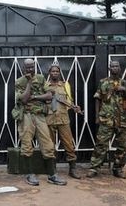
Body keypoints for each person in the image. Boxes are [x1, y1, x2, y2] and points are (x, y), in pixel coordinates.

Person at [15, 58, 67, 186]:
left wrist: (35, 97)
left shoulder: (41, 78)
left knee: (48, 144)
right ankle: (30, 174)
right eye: (27, 68)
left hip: (40, 116)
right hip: (26, 116)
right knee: (27, 145)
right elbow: (24, 100)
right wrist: (29, 83)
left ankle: (52, 174)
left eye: (32, 67)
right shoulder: (19, 82)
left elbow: (50, 95)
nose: (30, 70)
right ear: (23, 69)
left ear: (35, 67)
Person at [87, 60, 126, 179]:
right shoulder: (103, 82)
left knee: (122, 146)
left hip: (121, 120)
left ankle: (118, 169)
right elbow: (97, 99)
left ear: (119, 68)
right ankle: (94, 168)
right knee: (101, 145)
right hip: (106, 119)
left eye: (117, 66)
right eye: (112, 66)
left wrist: (124, 90)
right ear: (109, 68)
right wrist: (97, 116)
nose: (114, 68)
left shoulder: (124, 83)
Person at [45, 61, 83, 179]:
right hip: (49, 119)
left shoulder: (65, 85)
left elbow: (69, 100)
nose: (55, 73)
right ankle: (52, 170)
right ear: (49, 73)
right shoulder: (45, 86)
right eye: (53, 71)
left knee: (69, 145)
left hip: (63, 119)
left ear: (59, 73)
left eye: (57, 71)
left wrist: (75, 107)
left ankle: (72, 169)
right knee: (50, 146)